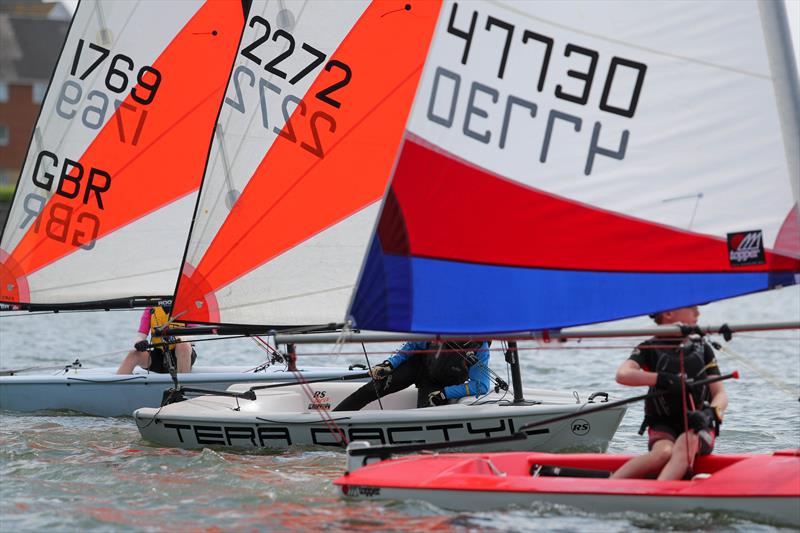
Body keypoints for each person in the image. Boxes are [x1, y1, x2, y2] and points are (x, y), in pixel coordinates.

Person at [611, 305, 728, 480]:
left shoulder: (703, 349)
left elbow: (721, 394)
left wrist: (710, 414)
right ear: (668, 313)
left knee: (685, 443)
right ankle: (610, 485)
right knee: (664, 453)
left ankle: (658, 493)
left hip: (699, 424)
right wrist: (661, 379)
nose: (698, 313)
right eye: (693, 307)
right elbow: (623, 375)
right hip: (664, 425)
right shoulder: (649, 348)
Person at [333, 340, 492, 411]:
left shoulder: (479, 346)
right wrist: (389, 364)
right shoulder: (439, 323)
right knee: (370, 389)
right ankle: (330, 423)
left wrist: (445, 394)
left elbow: (481, 385)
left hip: (439, 384)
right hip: (417, 366)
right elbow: (412, 344)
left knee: (425, 415)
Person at [116, 306, 196, 374]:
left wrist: (181, 338)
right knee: (133, 354)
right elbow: (141, 336)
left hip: (182, 355)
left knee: (183, 345)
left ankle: (182, 386)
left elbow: (193, 335)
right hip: (159, 357)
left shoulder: (186, 305)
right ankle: (116, 388)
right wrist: (139, 343)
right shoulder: (151, 307)